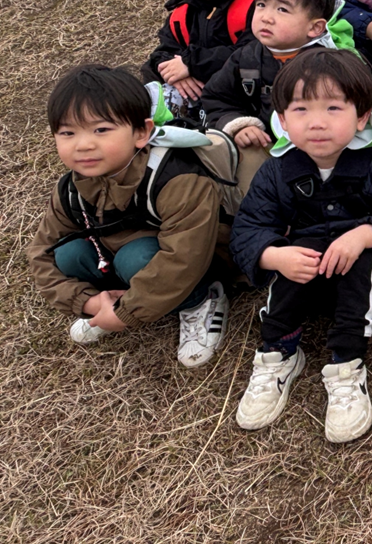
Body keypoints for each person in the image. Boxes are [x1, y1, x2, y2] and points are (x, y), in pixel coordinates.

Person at [230, 49, 372, 443]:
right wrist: (274, 256)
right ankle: (278, 353)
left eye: (333, 108)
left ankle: (346, 364)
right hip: (306, 268)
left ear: (361, 117)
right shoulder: (276, 170)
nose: (317, 122)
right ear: (283, 120)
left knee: (364, 260)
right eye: (301, 110)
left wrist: (364, 235)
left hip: (367, 272)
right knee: (296, 251)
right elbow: (248, 228)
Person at [27, 65, 233, 367]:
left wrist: (126, 314)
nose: (83, 145)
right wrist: (87, 301)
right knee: (68, 254)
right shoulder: (71, 187)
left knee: (135, 259)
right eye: (68, 132)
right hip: (125, 256)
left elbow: (185, 257)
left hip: (197, 260)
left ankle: (202, 300)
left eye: (101, 130)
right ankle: (111, 300)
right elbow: (41, 253)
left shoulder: (176, 178)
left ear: (141, 133)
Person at [200, 0, 341, 195]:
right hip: (264, 144)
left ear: (315, 28)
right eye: (261, 5)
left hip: (319, 148)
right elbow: (217, 98)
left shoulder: (332, 64)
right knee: (245, 159)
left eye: (282, 10)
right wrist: (240, 125)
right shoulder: (245, 58)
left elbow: (363, 102)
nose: (266, 17)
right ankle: (250, 209)